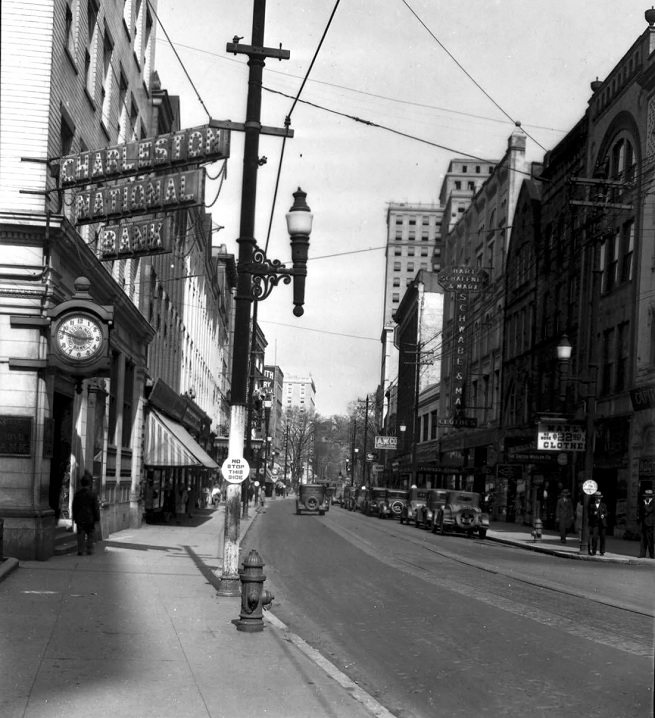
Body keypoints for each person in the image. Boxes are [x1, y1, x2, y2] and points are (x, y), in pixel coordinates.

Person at [72, 473, 101, 556]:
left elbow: (74, 507)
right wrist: (97, 518)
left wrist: (74, 517)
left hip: (80, 518)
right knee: (90, 534)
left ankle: (80, 550)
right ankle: (89, 549)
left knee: (80, 534)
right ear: (89, 483)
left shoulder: (77, 494)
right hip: (90, 518)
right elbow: (95, 507)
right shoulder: (92, 495)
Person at [588, 491, 608, 556]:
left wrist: (604, 515)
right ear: (595, 498)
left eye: (599, 498)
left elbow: (606, 513)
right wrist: (593, 514)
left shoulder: (603, 505)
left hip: (602, 523)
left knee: (602, 538)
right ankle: (594, 551)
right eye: (597, 498)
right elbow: (589, 513)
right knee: (594, 537)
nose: (598, 500)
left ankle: (602, 551)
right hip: (595, 523)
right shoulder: (592, 505)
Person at [638, 489, 655, 559]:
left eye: (646, 497)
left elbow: (649, 510)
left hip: (650, 523)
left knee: (650, 539)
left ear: (650, 497)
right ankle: (642, 553)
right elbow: (641, 511)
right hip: (644, 522)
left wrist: (646, 504)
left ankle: (652, 554)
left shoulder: (653, 502)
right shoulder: (644, 502)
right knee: (643, 538)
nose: (645, 498)